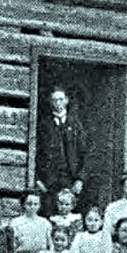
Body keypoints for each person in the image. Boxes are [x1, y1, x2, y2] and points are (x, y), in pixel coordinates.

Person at [35, 87, 86, 217]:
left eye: (61, 99)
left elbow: (84, 154)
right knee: (49, 214)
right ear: (50, 102)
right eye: (54, 100)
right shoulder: (44, 125)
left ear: (66, 101)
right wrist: (38, 180)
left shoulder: (75, 125)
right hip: (49, 182)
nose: (58, 103)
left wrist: (80, 179)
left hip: (71, 180)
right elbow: (37, 153)